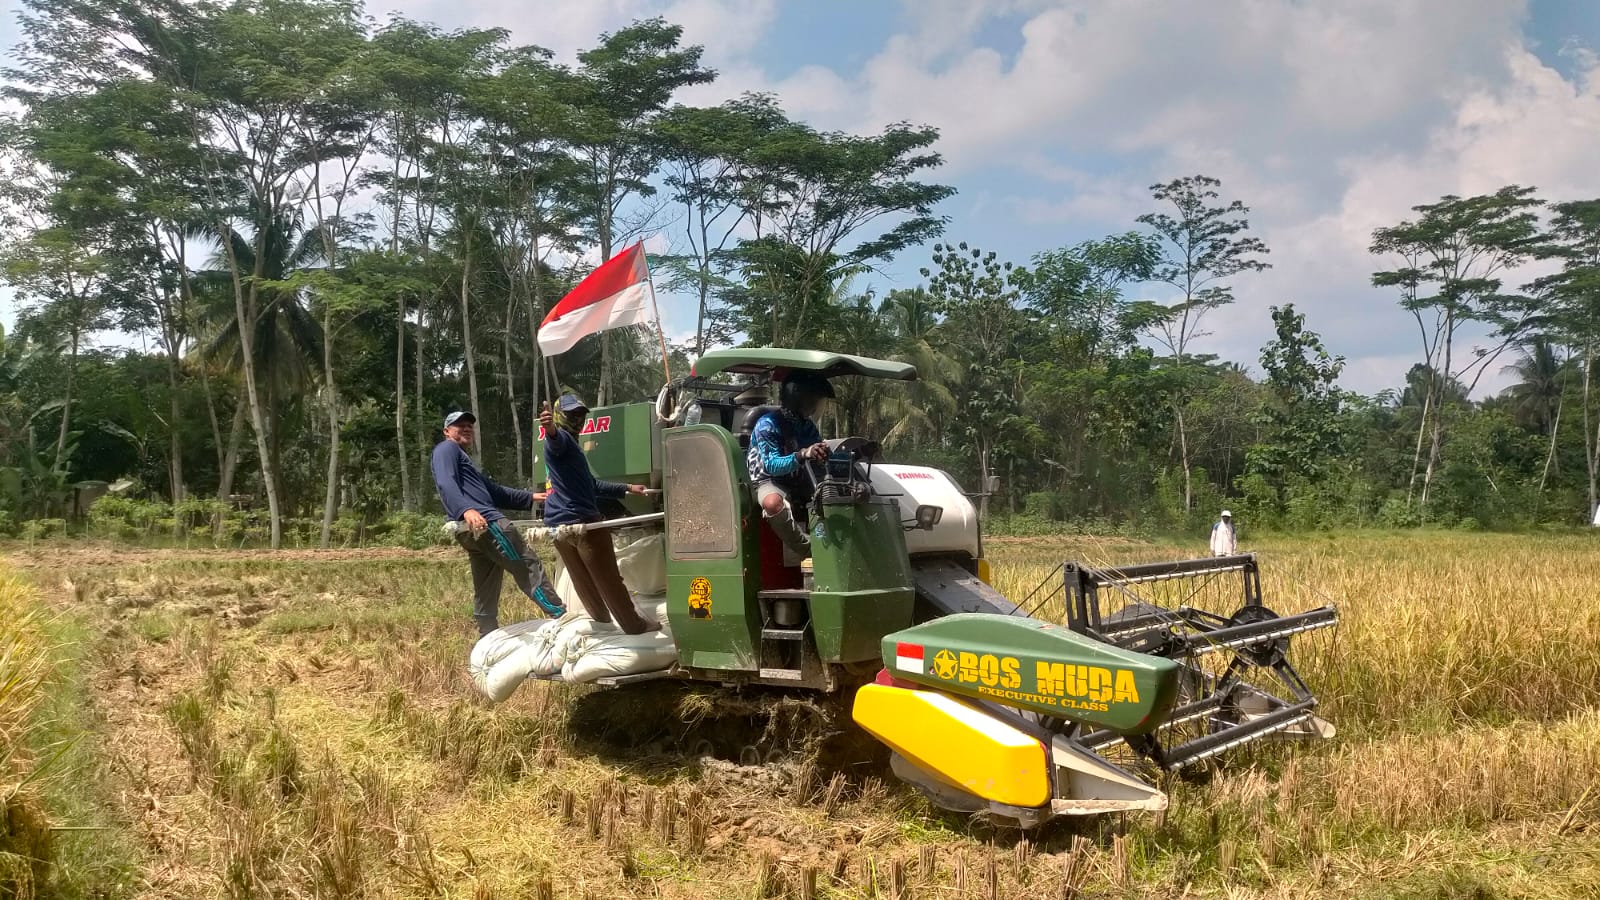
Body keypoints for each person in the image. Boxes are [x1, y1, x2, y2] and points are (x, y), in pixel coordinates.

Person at [431, 410, 563, 637]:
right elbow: (445, 482)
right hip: (486, 522)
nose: (466, 428)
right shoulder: (447, 449)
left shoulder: (464, 461)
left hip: (474, 530)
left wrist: (532, 497)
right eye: (459, 425)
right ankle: (560, 615)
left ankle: (487, 635)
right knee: (527, 564)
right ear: (446, 432)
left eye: (469, 425)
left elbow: (494, 491)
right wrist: (466, 510)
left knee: (486, 582)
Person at [540, 394, 657, 635]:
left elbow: (591, 486)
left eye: (581, 415)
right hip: (583, 523)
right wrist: (550, 429)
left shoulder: (570, 449)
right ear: (560, 415)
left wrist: (627, 488)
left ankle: (601, 620)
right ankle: (634, 625)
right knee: (609, 578)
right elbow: (554, 439)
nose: (578, 419)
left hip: (558, 527)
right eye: (572, 414)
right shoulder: (562, 440)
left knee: (582, 579)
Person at [746, 372, 833, 561]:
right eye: (813, 399)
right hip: (769, 480)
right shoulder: (768, 424)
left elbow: (819, 452)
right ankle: (808, 549)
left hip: (799, 477)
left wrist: (853, 452)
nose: (816, 405)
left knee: (833, 492)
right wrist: (803, 454)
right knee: (772, 503)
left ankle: (835, 544)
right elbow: (772, 465)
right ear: (799, 398)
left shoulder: (806, 426)